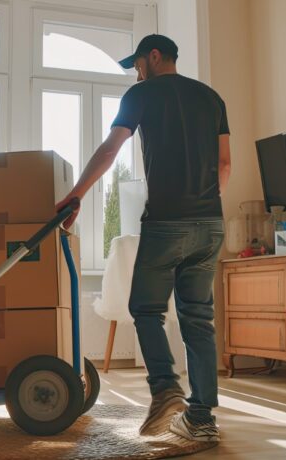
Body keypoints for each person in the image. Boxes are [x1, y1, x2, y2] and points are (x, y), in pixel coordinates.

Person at [56, 34, 231, 442]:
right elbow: (225, 164)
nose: (136, 72)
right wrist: (205, 206)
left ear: (154, 56)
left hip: (167, 221)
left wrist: (76, 194)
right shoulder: (212, 98)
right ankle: (201, 418)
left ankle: (165, 389)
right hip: (210, 223)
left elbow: (110, 150)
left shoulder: (142, 95)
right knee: (199, 319)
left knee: (146, 308)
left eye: (137, 63)